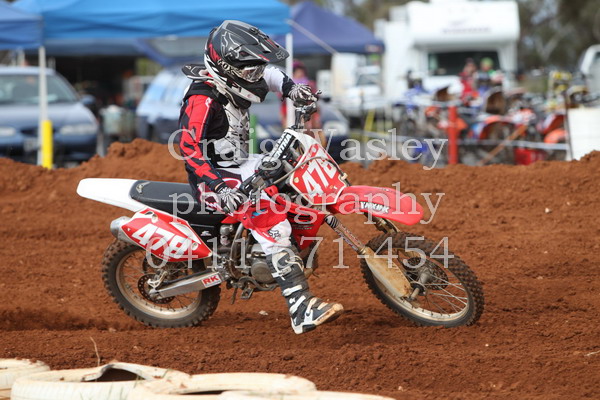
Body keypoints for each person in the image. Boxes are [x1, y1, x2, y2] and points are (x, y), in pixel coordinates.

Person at [177, 20, 343, 334]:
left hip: (240, 162)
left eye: (256, 69)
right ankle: (300, 307)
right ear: (228, 68)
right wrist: (220, 188)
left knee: (294, 171)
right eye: (250, 71)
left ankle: (286, 250)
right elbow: (189, 149)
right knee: (271, 219)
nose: (256, 76)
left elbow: (270, 73)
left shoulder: (237, 76)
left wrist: (293, 89)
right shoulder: (202, 99)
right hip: (214, 178)